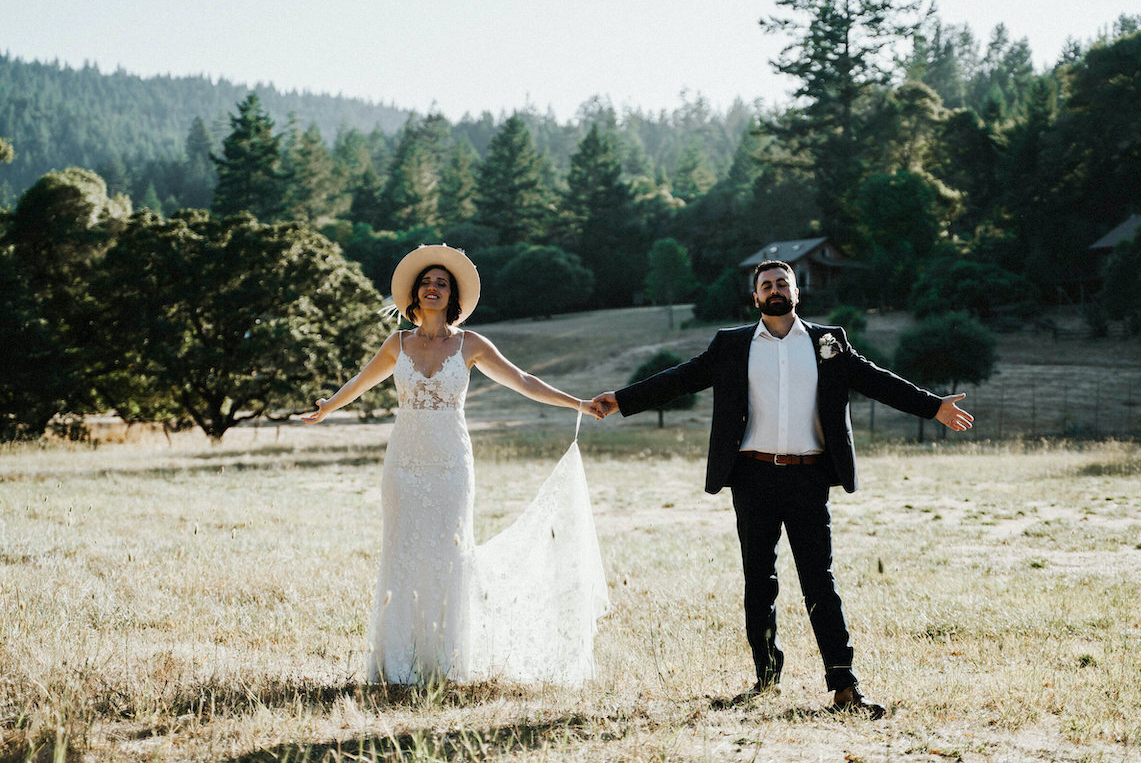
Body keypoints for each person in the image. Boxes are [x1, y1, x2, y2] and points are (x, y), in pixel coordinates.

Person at [592, 260, 973, 717]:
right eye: (766, 285)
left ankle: (844, 684)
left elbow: (875, 380)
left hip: (809, 477)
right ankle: (766, 677)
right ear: (755, 298)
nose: (775, 290)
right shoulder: (731, 345)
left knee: (820, 581)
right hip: (752, 477)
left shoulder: (828, 342)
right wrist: (623, 399)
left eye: (782, 283)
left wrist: (933, 407)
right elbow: (682, 378)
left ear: (797, 292)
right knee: (760, 580)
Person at [302, 244, 609, 685]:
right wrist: (327, 407)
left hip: (451, 463)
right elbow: (361, 381)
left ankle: (446, 661)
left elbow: (522, 380)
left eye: (441, 284)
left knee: (448, 555)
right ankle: (400, 662)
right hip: (403, 463)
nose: (433, 288)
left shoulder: (471, 344)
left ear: (453, 296)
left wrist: (577, 402)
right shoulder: (398, 343)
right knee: (402, 553)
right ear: (414, 293)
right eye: (426, 282)